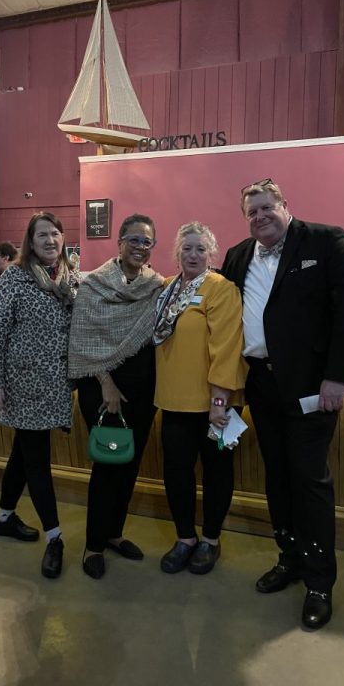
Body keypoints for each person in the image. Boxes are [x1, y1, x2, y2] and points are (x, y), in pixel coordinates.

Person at [221, 178, 344, 630]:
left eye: (267, 207)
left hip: (312, 389)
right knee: (277, 478)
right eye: (252, 211)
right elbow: (223, 315)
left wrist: (338, 377)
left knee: (310, 481)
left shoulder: (326, 240)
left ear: (285, 205)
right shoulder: (238, 255)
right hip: (261, 386)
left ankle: (320, 582)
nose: (260, 216)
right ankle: (290, 560)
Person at [0, 213, 80, 579]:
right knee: (37, 459)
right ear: (30, 240)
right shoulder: (16, 276)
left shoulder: (70, 279)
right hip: (23, 383)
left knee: (23, 454)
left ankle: (4, 517)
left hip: (56, 383)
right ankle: (55, 538)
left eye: (55, 233)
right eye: (42, 234)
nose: (50, 239)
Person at [68, 214, 163, 579]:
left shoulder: (155, 286)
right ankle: (93, 545)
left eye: (147, 241)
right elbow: (83, 337)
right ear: (119, 242)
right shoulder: (94, 284)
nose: (140, 246)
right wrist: (106, 382)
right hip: (101, 388)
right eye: (134, 239)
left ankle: (114, 533)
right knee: (108, 466)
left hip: (142, 391)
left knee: (131, 463)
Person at [153, 222, 247, 575]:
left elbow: (227, 346)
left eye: (200, 249)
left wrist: (220, 401)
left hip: (213, 404)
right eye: (187, 249)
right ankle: (184, 538)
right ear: (177, 253)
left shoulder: (220, 289)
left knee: (217, 471)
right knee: (176, 473)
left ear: (212, 254)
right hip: (174, 400)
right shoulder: (165, 289)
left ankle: (210, 540)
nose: (193, 255)